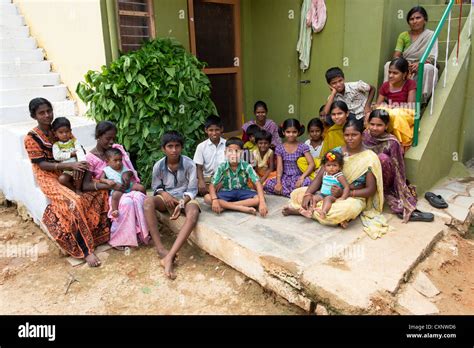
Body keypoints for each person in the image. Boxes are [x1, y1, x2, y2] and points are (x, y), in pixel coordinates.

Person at [24, 98, 110, 267]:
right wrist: (68, 164)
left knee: (100, 190)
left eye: (49, 111)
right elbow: (41, 164)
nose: (47, 115)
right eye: (41, 113)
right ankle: (85, 250)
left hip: (69, 171)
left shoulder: (61, 128)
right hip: (48, 176)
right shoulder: (31, 138)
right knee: (73, 202)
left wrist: (81, 166)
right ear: (34, 116)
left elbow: (78, 150)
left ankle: (104, 233)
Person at [283, 119, 391, 238]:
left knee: (344, 210)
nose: (350, 138)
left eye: (354, 135)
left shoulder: (369, 158)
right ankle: (323, 213)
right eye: (347, 135)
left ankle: (303, 211)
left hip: (352, 197)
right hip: (325, 193)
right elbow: (319, 178)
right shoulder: (335, 152)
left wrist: (346, 193)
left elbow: (370, 190)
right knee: (296, 194)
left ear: (362, 135)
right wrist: (308, 194)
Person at [144, 131, 200, 280]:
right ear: (163, 149)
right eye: (170, 146)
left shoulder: (189, 164)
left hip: (185, 198)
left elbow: (193, 189)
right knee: (148, 202)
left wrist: (182, 203)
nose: (174, 150)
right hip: (167, 199)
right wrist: (164, 194)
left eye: (177, 146)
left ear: (181, 147)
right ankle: (161, 249)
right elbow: (156, 186)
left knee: (193, 214)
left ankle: (170, 256)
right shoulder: (159, 166)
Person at [86, 121, 150, 250]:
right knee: (127, 203)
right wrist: (110, 186)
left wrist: (128, 175)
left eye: (113, 138)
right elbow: (87, 184)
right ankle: (121, 238)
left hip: (127, 186)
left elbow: (129, 168)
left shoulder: (117, 149)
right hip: (110, 192)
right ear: (98, 136)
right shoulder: (90, 158)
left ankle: (143, 232)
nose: (111, 142)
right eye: (107, 138)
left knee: (139, 197)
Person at [363, 109, 433, 223]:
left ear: (386, 126)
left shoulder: (392, 141)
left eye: (379, 125)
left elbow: (398, 167)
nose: (375, 128)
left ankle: (381, 191)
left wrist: (400, 188)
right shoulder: (365, 135)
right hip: (367, 174)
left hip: (385, 178)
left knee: (382, 158)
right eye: (372, 124)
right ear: (368, 123)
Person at [383, 5, 438, 102]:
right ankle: (389, 96)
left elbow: (432, 56)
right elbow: (396, 55)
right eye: (411, 19)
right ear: (408, 22)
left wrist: (420, 63)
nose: (414, 21)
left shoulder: (431, 35)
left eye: (418, 18)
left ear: (425, 20)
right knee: (388, 65)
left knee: (428, 69)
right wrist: (405, 64)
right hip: (405, 63)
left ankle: (420, 101)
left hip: (424, 63)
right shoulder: (403, 35)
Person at [204, 137, 268, 216]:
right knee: (207, 198)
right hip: (227, 192)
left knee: (260, 199)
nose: (233, 154)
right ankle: (241, 208)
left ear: (242, 153)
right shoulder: (222, 166)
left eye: (237, 151)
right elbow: (212, 185)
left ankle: (226, 206)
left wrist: (262, 202)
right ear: (225, 153)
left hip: (243, 191)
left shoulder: (247, 166)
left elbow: (257, 183)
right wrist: (214, 199)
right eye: (230, 151)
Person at [264, 119, 314, 197]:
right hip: (285, 177)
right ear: (283, 132)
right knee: (268, 184)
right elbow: (279, 167)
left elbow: (311, 164)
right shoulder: (280, 148)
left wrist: (302, 178)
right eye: (288, 132)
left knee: (308, 183)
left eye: (294, 132)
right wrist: (278, 182)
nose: (291, 134)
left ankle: (288, 192)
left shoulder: (303, 146)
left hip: (299, 176)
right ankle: (294, 193)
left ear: (298, 132)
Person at [376, 57, 416, 150]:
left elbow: (410, 107)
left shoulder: (410, 84)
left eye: (395, 73)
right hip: (391, 111)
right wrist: (386, 107)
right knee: (379, 112)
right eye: (389, 72)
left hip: (406, 114)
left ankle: (400, 143)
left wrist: (393, 108)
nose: (390, 75)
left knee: (395, 113)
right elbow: (378, 105)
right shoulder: (385, 85)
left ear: (404, 74)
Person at [299, 150, 350, 220]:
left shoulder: (339, 176)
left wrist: (343, 197)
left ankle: (323, 212)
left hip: (332, 196)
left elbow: (346, 187)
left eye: (334, 165)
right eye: (328, 165)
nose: (331, 168)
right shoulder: (325, 173)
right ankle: (310, 211)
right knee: (313, 198)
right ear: (324, 166)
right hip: (322, 194)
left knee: (327, 199)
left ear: (340, 167)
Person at [100, 148, 146, 219]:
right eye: (115, 160)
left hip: (128, 186)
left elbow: (131, 172)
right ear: (107, 162)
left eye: (120, 160)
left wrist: (128, 174)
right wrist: (108, 181)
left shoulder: (123, 167)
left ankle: (146, 200)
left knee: (140, 187)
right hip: (118, 189)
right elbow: (101, 179)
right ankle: (115, 210)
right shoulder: (106, 170)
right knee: (115, 196)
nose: (118, 162)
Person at [51, 117, 87, 194]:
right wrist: (71, 154)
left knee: (79, 172)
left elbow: (80, 151)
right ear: (55, 134)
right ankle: (73, 189)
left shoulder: (74, 142)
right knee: (62, 179)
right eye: (61, 132)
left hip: (77, 167)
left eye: (67, 131)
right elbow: (57, 156)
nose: (64, 134)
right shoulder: (56, 145)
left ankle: (78, 189)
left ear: (70, 131)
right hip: (66, 169)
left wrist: (82, 162)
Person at [193, 115, 226, 196]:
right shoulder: (201, 146)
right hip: (206, 179)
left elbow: (233, 167)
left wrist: (223, 182)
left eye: (217, 130)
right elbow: (199, 167)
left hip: (223, 179)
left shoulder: (227, 145)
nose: (214, 133)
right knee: (193, 188)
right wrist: (201, 181)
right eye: (211, 130)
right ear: (206, 130)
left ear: (221, 129)